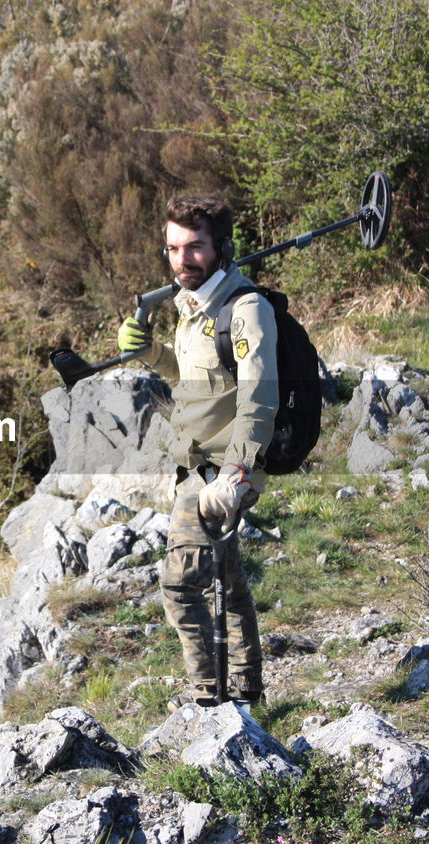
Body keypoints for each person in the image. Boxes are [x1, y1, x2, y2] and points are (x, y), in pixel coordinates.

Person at [116, 195, 279, 708]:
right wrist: (150, 353)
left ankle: (209, 703)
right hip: (193, 468)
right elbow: (193, 378)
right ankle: (249, 694)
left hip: (226, 471)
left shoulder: (245, 309)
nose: (182, 260)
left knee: (181, 585)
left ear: (222, 248)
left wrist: (236, 472)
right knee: (228, 582)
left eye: (195, 248)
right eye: (173, 248)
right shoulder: (192, 309)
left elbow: (259, 397)